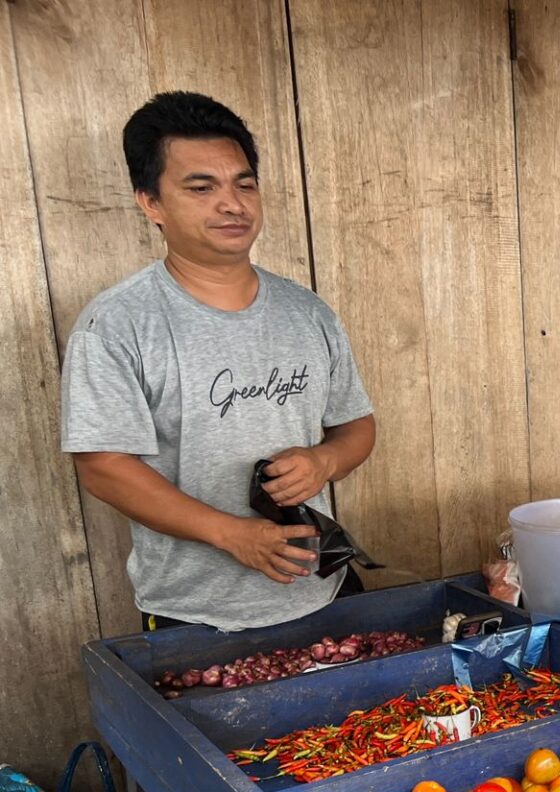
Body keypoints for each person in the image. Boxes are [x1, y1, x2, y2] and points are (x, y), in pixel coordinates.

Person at [60, 91, 376, 632]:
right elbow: (103, 468)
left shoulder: (307, 311)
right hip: (196, 614)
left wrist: (324, 462)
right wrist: (230, 534)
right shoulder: (117, 323)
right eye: (201, 187)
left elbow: (356, 426)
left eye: (244, 183)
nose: (232, 204)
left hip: (322, 589)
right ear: (150, 203)